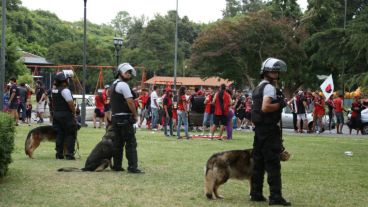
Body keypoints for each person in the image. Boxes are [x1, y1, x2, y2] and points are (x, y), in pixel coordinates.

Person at [250, 57, 291, 206]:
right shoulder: (269, 88)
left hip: (259, 130)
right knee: (273, 164)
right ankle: (275, 197)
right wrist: (280, 104)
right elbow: (265, 107)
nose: (275, 72)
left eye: (276, 70)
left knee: (258, 163)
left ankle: (256, 194)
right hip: (269, 130)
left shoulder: (258, 87)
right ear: (265, 72)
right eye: (272, 70)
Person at [109, 63, 143, 173]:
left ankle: (117, 166)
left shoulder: (113, 84)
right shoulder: (123, 85)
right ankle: (132, 167)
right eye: (126, 72)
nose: (128, 74)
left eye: (129, 73)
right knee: (130, 143)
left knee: (118, 143)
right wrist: (135, 114)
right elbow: (130, 101)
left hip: (115, 118)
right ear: (120, 73)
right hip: (125, 118)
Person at [51, 71, 77, 160]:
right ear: (64, 80)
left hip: (56, 114)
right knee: (70, 134)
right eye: (67, 79)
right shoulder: (65, 90)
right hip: (66, 115)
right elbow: (70, 103)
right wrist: (74, 112)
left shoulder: (54, 90)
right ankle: (69, 154)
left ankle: (59, 154)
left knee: (59, 134)